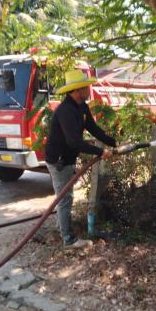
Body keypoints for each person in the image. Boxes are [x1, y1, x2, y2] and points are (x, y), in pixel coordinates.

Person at [45, 69, 116, 249]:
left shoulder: (81, 106)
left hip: (68, 159)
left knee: (65, 198)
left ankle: (63, 227)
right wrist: (99, 153)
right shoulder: (65, 111)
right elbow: (74, 142)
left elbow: (93, 128)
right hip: (59, 161)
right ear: (76, 90)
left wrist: (112, 142)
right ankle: (68, 239)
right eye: (86, 87)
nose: (89, 89)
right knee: (65, 199)